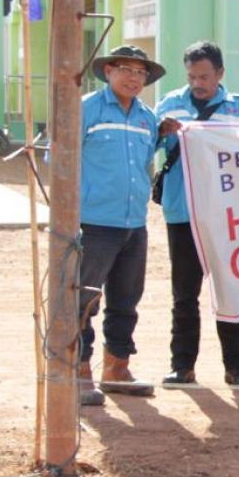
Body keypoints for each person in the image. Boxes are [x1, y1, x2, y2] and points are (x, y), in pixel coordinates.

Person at [155, 41, 239, 389]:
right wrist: (161, 132)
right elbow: (149, 145)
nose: (197, 83)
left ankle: (237, 367)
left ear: (220, 74)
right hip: (182, 212)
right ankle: (181, 366)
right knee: (184, 294)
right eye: (191, 76)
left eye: (204, 76)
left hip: (229, 216)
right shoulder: (170, 105)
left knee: (231, 290)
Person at [75, 45, 166, 406]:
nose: (133, 78)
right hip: (94, 223)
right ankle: (79, 369)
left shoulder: (147, 118)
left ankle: (117, 367)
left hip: (134, 223)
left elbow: (146, 162)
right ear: (108, 71)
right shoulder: (85, 109)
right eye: (126, 69)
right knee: (83, 300)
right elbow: (60, 156)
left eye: (141, 72)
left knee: (126, 300)